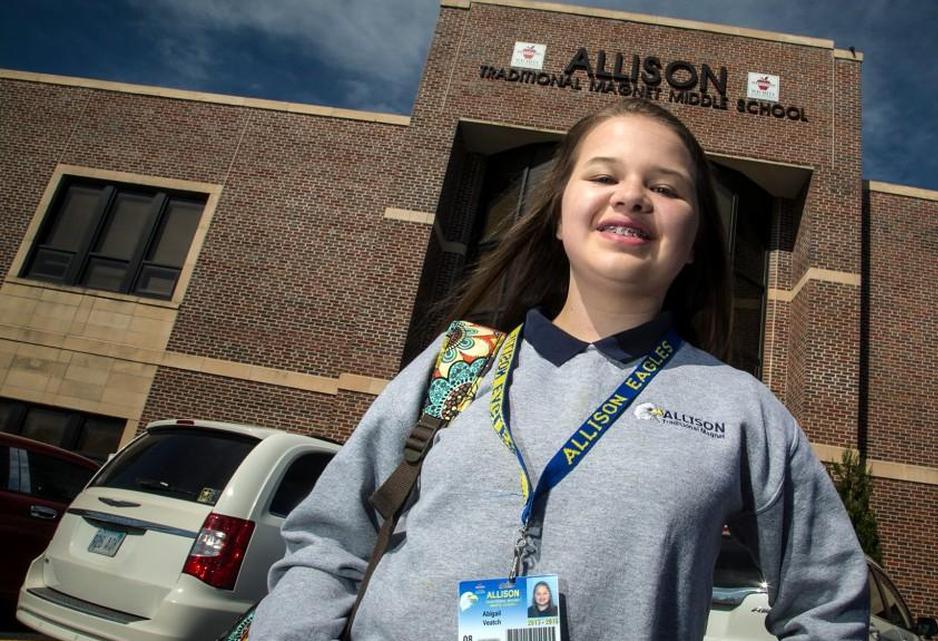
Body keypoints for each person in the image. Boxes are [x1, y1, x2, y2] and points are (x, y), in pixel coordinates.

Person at [250, 98, 868, 641]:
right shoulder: (458, 360)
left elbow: (827, 603)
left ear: (695, 242)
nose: (632, 195)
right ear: (556, 215)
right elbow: (331, 541)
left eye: (667, 188)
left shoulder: (742, 411)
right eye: (604, 175)